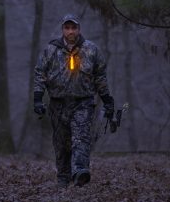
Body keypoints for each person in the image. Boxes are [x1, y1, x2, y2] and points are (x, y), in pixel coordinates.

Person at [33, 14, 114, 188]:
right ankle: (63, 178)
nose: (70, 31)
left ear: (79, 29)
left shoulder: (91, 50)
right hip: (58, 103)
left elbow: (100, 77)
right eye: (67, 28)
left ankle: (80, 171)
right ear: (63, 30)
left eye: (74, 28)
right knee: (61, 143)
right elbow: (40, 74)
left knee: (81, 137)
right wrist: (38, 100)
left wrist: (107, 100)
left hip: (83, 102)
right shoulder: (51, 50)